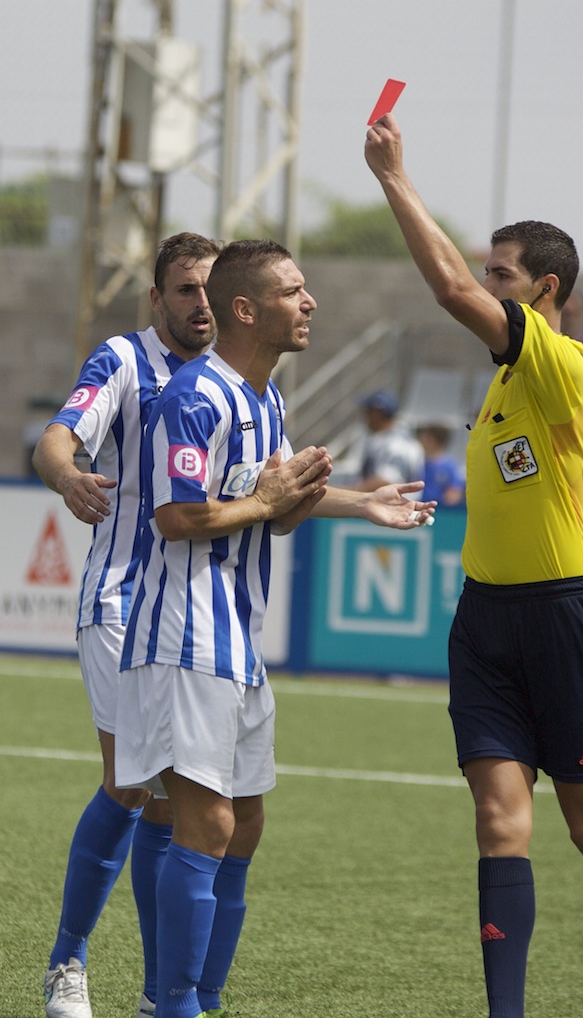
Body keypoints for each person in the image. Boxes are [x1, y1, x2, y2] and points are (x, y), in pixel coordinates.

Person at [366, 113, 583, 1018]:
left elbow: (448, 289)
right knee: (500, 822)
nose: (485, 283)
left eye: (501, 274)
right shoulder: (505, 380)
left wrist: (394, 178)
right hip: (486, 620)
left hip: (562, 615)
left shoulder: (563, 364)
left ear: (545, 290)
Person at [118, 238, 433, 1018]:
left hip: (236, 638)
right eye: (294, 291)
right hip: (184, 633)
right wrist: (264, 502)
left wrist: (360, 502)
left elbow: (279, 508)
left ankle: (202, 996)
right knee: (208, 822)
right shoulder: (194, 396)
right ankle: (172, 1005)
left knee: (246, 822)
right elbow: (178, 516)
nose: (310, 302)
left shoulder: (267, 401)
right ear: (246, 310)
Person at [31, 232, 220, 1018]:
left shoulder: (234, 379)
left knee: (174, 802)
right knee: (132, 782)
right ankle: (67, 961)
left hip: (193, 614)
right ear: (156, 298)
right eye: (185, 289)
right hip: (121, 599)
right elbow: (55, 439)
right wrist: (68, 476)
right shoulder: (124, 359)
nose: (200, 303)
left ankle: (156, 993)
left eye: (210, 289)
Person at [352, 387, 424, 491]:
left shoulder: (399, 443)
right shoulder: (384, 438)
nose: (364, 416)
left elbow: (388, 480)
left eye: (368, 411)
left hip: (397, 501)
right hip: (381, 500)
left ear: (377, 413)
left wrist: (346, 493)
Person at [418, 420, 466, 508]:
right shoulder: (418, 463)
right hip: (419, 508)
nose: (422, 440)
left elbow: (454, 494)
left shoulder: (451, 467)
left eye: (427, 438)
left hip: (440, 511)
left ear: (437, 440)